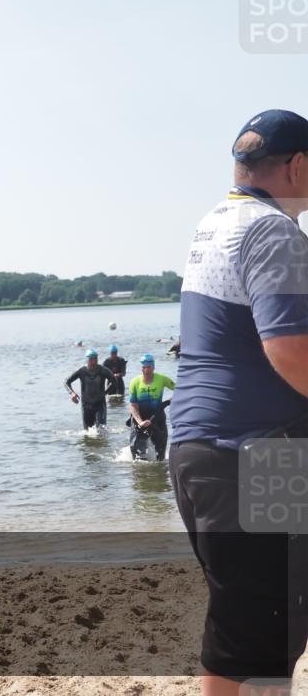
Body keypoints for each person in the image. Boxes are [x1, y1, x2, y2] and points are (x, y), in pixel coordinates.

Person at [169, 109, 308, 693]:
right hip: (253, 451)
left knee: (263, 626)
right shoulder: (273, 230)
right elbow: (290, 349)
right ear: (298, 167)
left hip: (204, 448)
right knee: (255, 632)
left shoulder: (218, 222)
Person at [127, 354, 175, 461]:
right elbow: (133, 406)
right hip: (140, 420)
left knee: (160, 458)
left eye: (148, 367)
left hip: (157, 418)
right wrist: (140, 422)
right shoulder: (135, 382)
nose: (146, 370)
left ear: (153, 367)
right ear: (141, 368)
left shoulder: (162, 379)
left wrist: (170, 400)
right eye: (144, 367)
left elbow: (179, 388)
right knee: (138, 458)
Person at [64, 349, 116, 429]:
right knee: (87, 432)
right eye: (91, 359)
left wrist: (105, 393)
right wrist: (72, 393)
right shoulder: (82, 371)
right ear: (87, 360)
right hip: (86, 405)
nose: (93, 362)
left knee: (101, 431)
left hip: (100, 405)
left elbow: (114, 382)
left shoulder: (103, 370)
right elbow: (66, 382)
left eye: (95, 359)